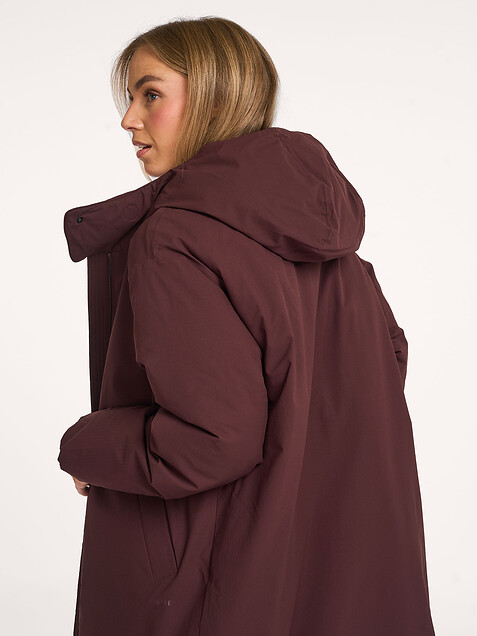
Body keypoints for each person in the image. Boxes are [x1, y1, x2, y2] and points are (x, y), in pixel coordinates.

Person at [57, 16, 436, 636]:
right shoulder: (327, 239)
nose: (128, 119)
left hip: (216, 581)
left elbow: (213, 439)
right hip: (345, 571)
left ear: (213, 100)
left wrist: (88, 448)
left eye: (150, 95)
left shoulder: (175, 236)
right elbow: (385, 361)